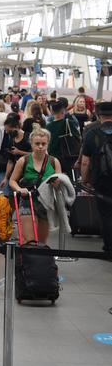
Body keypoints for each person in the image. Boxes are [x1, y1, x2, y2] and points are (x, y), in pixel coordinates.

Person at [9, 128, 61, 245]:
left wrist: (57, 184)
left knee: (42, 243)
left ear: (48, 144)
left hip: (46, 204)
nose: (40, 146)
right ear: (31, 144)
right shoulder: (23, 161)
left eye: (44, 144)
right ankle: (25, 262)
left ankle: (37, 263)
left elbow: (60, 183)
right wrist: (19, 189)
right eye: (37, 143)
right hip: (27, 201)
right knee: (29, 241)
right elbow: (12, 180)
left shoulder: (54, 161)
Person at [80, 101, 112, 254]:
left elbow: (85, 162)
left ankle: (109, 247)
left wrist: (84, 179)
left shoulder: (92, 132)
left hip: (101, 180)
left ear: (99, 115)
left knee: (106, 214)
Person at [46, 99, 81, 173]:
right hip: (68, 156)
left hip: (53, 157)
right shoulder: (68, 123)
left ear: (52, 112)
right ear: (63, 111)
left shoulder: (48, 126)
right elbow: (78, 137)